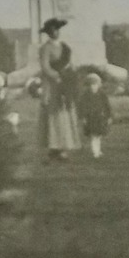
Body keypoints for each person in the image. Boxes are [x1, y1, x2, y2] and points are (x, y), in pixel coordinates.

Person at [37, 18, 81, 160]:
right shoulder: (45, 48)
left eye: (57, 30)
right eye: (52, 31)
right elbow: (45, 67)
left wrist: (71, 73)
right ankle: (54, 147)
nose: (55, 33)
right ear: (48, 33)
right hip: (53, 85)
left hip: (65, 84)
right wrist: (56, 76)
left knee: (65, 114)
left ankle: (64, 146)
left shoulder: (65, 47)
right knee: (54, 115)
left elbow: (70, 63)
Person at [76, 70, 113, 158]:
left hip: (100, 117)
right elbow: (81, 107)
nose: (93, 86)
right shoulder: (85, 96)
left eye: (95, 84)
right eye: (91, 85)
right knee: (93, 135)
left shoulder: (102, 94)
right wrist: (83, 117)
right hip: (90, 118)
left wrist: (109, 116)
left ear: (99, 85)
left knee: (98, 135)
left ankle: (98, 150)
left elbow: (107, 106)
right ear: (88, 86)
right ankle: (95, 152)